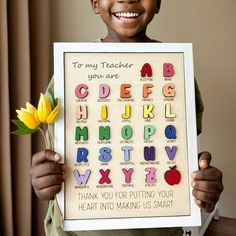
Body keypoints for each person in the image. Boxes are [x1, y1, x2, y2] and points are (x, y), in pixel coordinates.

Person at [30, 0, 223, 235]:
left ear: (159, 3)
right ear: (94, 3)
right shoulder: (69, 70)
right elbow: (54, 151)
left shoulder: (177, 71)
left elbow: (181, 155)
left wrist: (203, 186)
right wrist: (44, 180)